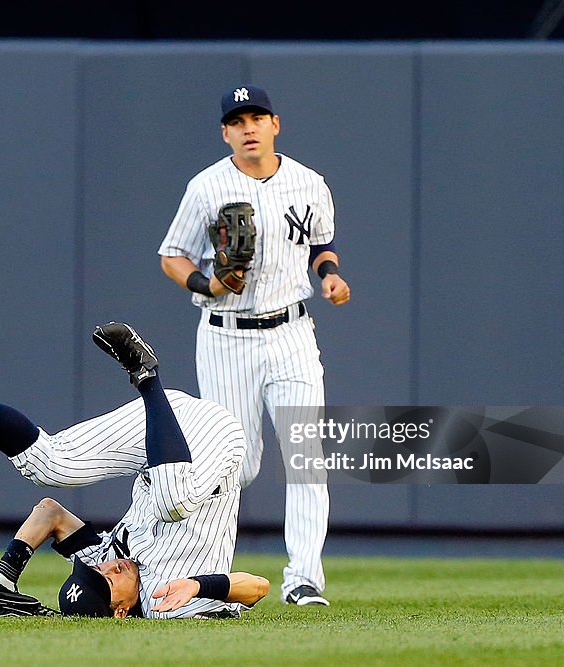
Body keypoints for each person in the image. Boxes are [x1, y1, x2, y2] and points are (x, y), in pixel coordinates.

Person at [0, 322, 269, 618]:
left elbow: (49, 512)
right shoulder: (165, 605)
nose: (110, 569)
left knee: (48, 465)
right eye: (106, 583)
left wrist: (6, 573)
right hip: (215, 440)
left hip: (166, 420)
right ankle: (146, 377)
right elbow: (257, 586)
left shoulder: (105, 559)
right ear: (120, 612)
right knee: (173, 500)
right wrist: (202, 587)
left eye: (98, 572)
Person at [157, 84, 351, 606]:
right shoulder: (205, 187)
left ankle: (305, 578)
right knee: (232, 465)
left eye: (256, 117)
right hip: (226, 337)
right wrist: (208, 285)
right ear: (225, 133)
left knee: (307, 455)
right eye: (237, 121)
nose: (248, 128)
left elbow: (322, 244)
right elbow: (173, 255)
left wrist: (330, 277)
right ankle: (202, 571)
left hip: (291, 332)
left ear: (275, 124)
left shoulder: (309, 183)